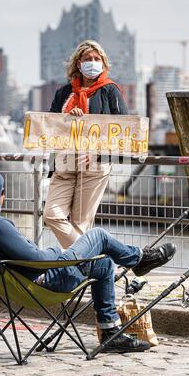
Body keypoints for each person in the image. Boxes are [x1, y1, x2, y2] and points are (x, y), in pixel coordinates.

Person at [0, 170, 176, 354]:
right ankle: (141, 259)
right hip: (48, 280)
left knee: (104, 265)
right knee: (98, 236)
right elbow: (36, 258)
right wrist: (57, 252)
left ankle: (111, 331)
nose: (4, 198)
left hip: (23, 287)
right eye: (2, 193)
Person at [43, 40, 128, 249]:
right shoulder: (64, 93)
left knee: (80, 225)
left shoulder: (110, 91)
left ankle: (79, 274)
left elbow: (123, 131)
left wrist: (99, 154)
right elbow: (52, 127)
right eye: (88, 59)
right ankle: (94, 257)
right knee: (52, 215)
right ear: (78, 64)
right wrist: (68, 118)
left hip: (94, 164)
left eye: (96, 59)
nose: (92, 63)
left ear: (103, 63)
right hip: (64, 162)